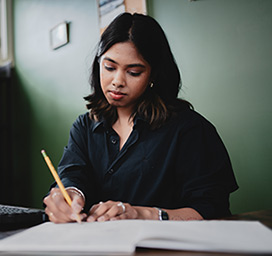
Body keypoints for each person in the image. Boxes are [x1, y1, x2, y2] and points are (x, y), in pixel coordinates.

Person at [43, 13, 238, 223]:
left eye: (134, 72)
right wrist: (70, 195)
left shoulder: (190, 129)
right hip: (97, 250)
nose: (117, 81)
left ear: (153, 75)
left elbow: (211, 209)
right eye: (109, 67)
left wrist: (143, 213)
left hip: (165, 252)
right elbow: (73, 175)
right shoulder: (84, 126)